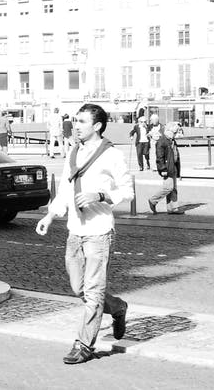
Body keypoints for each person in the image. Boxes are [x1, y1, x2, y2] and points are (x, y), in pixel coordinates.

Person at [35, 104, 133, 365]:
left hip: (99, 231)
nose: (75, 126)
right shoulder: (74, 151)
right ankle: (118, 308)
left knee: (93, 291)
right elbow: (66, 190)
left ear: (97, 126)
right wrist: (50, 215)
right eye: (75, 121)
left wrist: (100, 196)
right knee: (79, 288)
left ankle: (84, 345)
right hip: (75, 231)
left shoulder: (112, 155)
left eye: (81, 122)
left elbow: (128, 190)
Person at [150, 121, 184, 214]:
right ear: (168, 131)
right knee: (168, 188)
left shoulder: (171, 140)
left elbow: (176, 155)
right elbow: (159, 157)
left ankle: (172, 208)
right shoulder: (162, 141)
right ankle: (153, 200)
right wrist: (162, 169)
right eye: (174, 132)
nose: (175, 134)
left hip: (173, 167)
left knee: (173, 188)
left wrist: (178, 171)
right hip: (167, 168)